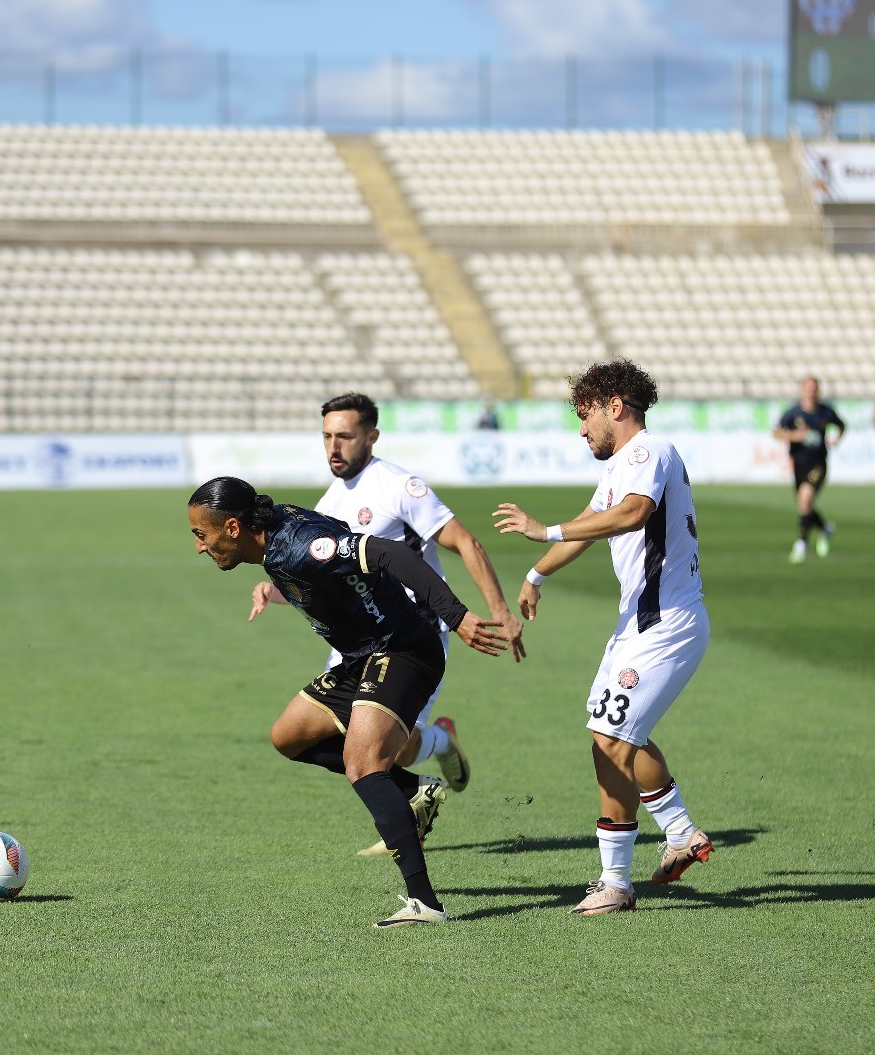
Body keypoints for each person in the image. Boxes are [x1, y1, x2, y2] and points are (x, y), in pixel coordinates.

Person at [189, 476, 508, 928]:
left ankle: (425, 904)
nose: (200, 546)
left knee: (363, 765)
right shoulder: (272, 533)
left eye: (202, 534)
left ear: (234, 528)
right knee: (288, 737)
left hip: (402, 651)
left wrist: (456, 618)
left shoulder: (300, 544)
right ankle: (411, 788)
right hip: (360, 657)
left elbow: (391, 554)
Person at [249, 391, 526, 856]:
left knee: (380, 746)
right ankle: (417, 787)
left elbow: (466, 542)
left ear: (371, 437)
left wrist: (499, 612)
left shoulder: (400, 486)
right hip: (355, 639)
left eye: (345, 436)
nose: (333, 446)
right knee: (341, 737)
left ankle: (432, 755)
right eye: (326, 436)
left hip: (412, 635)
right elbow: (322, 571)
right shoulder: (330, 501)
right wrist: (274, 590)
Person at [493, 359, 712, 916]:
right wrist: (537, 572)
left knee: (612, 739)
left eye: (585, 414)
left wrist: (546, 530)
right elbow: (595, 519)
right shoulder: (622, 465)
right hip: (640, 623)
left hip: (664, 624)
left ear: (615, 407)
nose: (581, 428)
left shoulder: (646, 453)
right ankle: (681, 833)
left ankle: (615, 884)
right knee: (613, 734)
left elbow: (633, 514)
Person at [771, 376, 845, 564]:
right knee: (805, 506)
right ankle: (824, 528)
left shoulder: (825, 412)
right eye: (808, 388)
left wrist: (836, 438)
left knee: (805, 499)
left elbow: (842, 425)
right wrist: (794, 436)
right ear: (803, 390)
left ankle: (801, 544)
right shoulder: (793, 413)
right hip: (799, 464)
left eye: (814, 388)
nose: (811, 392)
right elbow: (776, 432)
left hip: (818, 464)